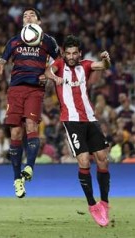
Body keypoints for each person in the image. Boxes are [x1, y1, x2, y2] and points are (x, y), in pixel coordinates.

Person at [0, 7, 60, 198]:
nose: (28, 16)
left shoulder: (47, 41)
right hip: (15, 89)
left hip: (35, 89)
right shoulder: (14, 41)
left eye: (32, 14)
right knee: (16, 132)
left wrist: (48, 74)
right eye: (25, 15)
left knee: (31, 125)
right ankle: (17, 179)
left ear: (39, 22)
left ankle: (29, 167)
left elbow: (60, 62)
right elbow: (1, 64)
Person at [44, 35, 111, 227]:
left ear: (79, 54)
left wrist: (106, 59)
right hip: (71, 120)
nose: (71, 56)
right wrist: (55, 77)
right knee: (83, 160)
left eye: (75, 53)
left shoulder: (86, 65)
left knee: (102, 159)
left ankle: (104, 203)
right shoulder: (59, 64)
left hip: (90, 118)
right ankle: (92, 205)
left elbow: (104, 66)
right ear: (64, 53)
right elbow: (48, 71)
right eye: (68, 53)